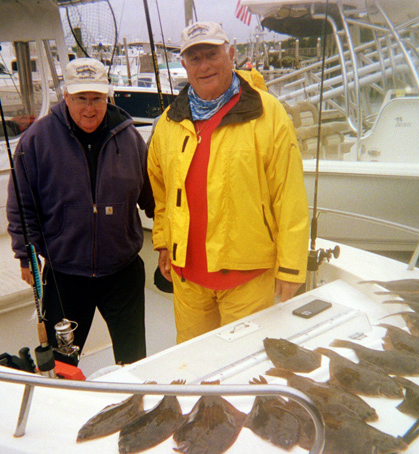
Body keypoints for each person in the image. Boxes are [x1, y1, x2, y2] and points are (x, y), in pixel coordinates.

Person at [148, 22, 310, 344]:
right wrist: (164, 242)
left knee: (244, 368)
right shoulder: (169, 122)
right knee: (195, 368)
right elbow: (162, 193)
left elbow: (288, 195)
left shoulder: (268, 113)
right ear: (184, 65)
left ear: (231, 54)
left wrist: (291, 268)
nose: (205, 65)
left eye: (212, 54)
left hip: (247, 280)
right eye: (195, 58)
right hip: (188, 281)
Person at [7, 57, 155, 365]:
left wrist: (172, 241)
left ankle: (136, 405)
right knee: (62, 365)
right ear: (66, 97)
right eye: (81, 99)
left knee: (135, 361)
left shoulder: (130, 139)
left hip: (123, 271)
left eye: (97, 98)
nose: (90, 108)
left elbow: (154, 199)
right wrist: (26, 256)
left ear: (107, 96)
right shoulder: (35, 141)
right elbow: (22, 207)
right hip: (65, 274)